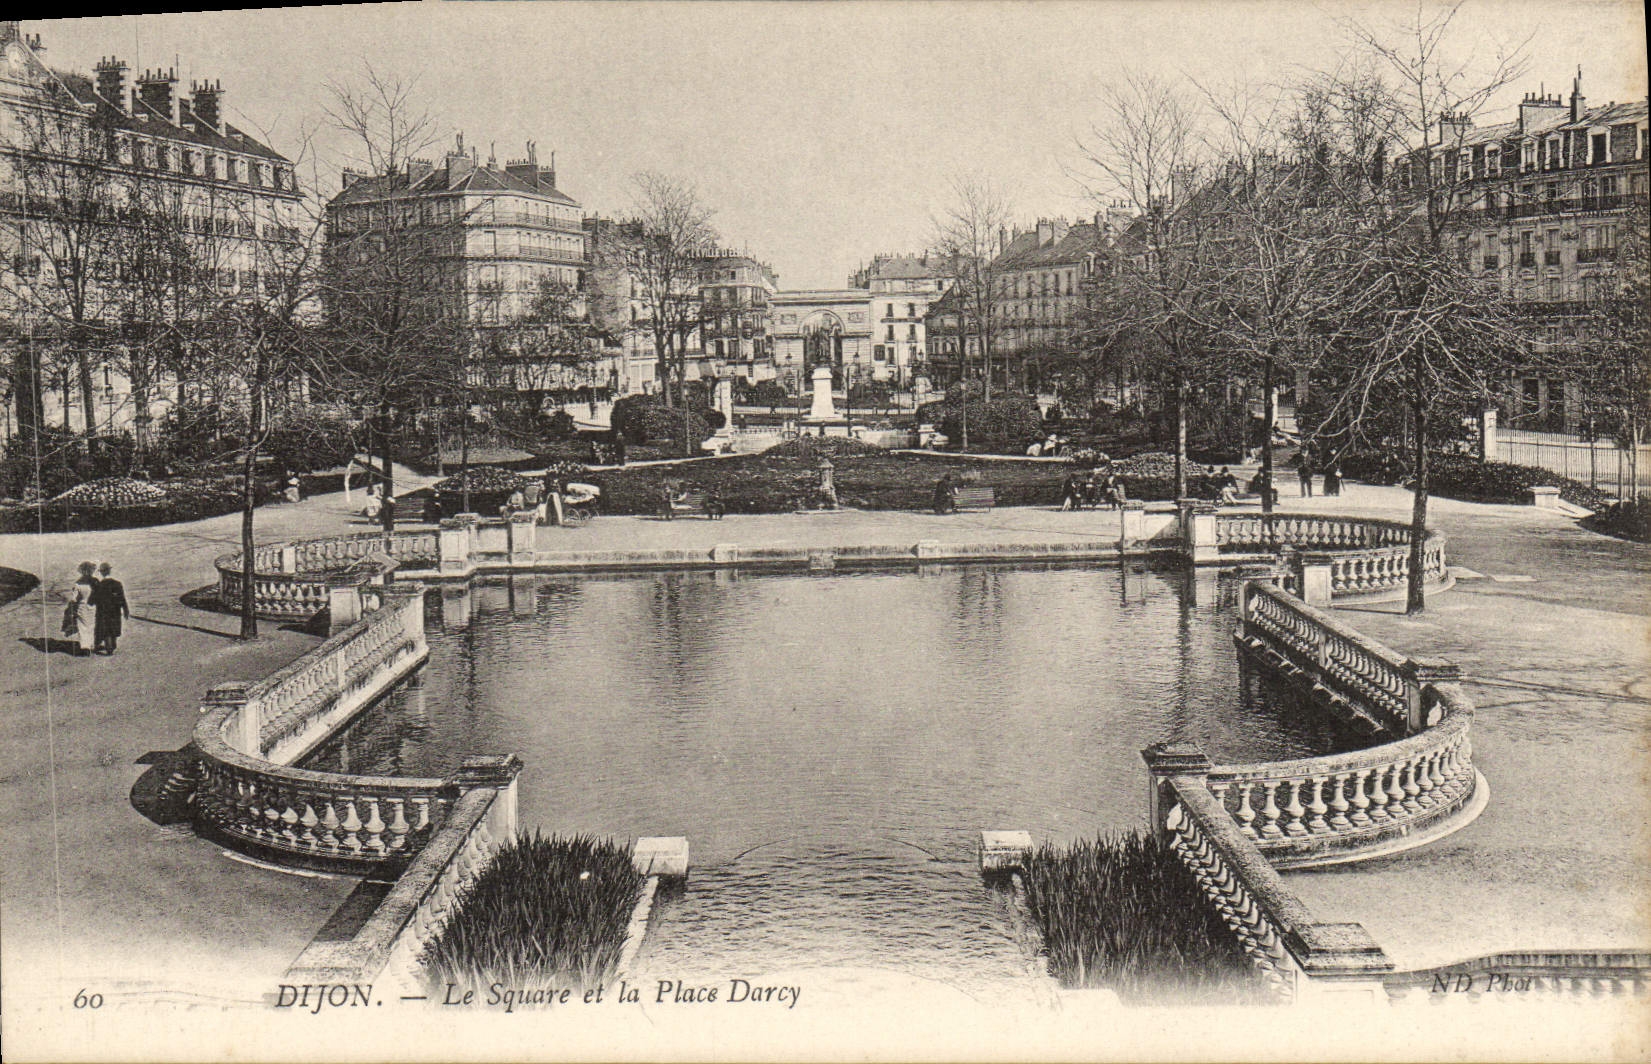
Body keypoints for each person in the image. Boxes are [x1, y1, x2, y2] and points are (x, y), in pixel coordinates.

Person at [90, 562, 129, 655]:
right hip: (115, 611)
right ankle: (112, 644)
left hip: (102, 611)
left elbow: (92, 600)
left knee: (105, 628)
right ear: (109, 571)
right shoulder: (117, 584)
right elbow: (122, 598)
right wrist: (125, 610)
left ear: (101, 573)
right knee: (114, 626)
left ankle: (108, 646)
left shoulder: (98, 585)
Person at [61, 562, 97, 656]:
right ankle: (91, 644)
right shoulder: (95, 581)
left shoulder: (78, 584)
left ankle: (85, 647)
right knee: (92, 625)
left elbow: (74, 598)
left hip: (82, 607)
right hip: (94, 606)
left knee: (83, 626)